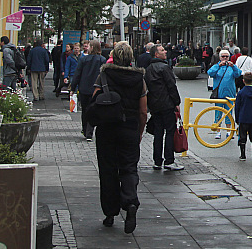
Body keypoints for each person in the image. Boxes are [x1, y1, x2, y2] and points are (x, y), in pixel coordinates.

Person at [92, 41, 147, 234]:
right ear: (131, 58)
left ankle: (110, 212)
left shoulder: (104, 74)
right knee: (129, 167)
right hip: (130, 128)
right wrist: (139, 131)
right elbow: (143, 111)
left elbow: (96, 100)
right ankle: (130, 202)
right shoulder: (139, 79)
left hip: (107, 129)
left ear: (113, 57)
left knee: (108, 169)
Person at [145, 44, 183, 170]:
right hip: (166, 104)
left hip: (155, 105)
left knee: (158, 133)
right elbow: (171, 86)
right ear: (156, 54)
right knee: (170, 131)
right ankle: (169, 160)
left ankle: (157, 160)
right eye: (162, 50)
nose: (165, 52)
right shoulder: (164, 68)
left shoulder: (149, 69)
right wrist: (176, 102)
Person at [72, 40, 106, 141]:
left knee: (85, 109)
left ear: (92, 48)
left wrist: (73, 87)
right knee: (94, 109)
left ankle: (85, 128)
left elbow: (77, 74)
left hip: (84, 88)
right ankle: (89, 131)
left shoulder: (83, 60)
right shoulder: (102, 60)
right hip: (96, 89)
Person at [207, 49, 242, 140]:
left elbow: (238, 74)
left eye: (227, 56)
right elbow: (210, 73)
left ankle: (228, 131)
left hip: (230, 93)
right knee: (218, 112)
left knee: (229, 113)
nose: (225, 58)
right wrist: (218, 65)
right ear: (219, 57)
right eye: (223, 56)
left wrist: (233, 66)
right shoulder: (216, 66)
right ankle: (218, 131)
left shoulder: (231, 67)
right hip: (219, 93)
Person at [234, 72, 252, 161]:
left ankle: (243, 155)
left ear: (243, 81)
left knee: (242, 137)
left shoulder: (241, 93)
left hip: (243, 117)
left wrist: (237, 119)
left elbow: (237, 106)